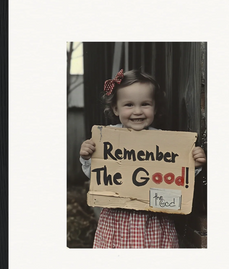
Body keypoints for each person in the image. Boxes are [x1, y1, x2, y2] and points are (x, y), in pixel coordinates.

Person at [79, 69, 206, 248]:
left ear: (155, 107)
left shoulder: (165, 142)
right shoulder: (107, 139)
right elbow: (96, 175)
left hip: (154, 220)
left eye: (145, 104)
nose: (137, 111)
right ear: (116, 108)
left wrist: (195, 163)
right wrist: (87, 156)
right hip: (117, 221)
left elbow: (178, 178)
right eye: (129, 105)